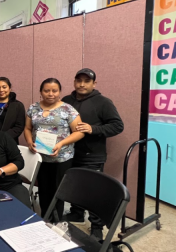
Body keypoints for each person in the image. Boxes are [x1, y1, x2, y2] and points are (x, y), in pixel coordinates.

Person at [62, 68, 124, 240]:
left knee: (93, 191)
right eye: (78, 80)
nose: (82, 84)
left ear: (94, 83)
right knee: (74, 185)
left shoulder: (103, 102)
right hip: (70, 153)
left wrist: (93, 129)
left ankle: (97, 226)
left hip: (92, 155)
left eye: (86, 81)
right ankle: (76, 213)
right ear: (74, 81)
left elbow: (118, 125)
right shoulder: (66, 101)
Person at [23, 78, 84, 220]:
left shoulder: (67, 109)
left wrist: (61, 144)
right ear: (41, 92)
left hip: (61, 158)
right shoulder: (33, 108)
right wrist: (29, 141)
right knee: (43, 189)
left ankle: (55, 221)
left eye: (54, 90)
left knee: (57, 191)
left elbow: (79, 132)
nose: (51, 94)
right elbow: (27, 128)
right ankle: (45, 217)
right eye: (47, 90)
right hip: (40, 157)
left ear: (59, 92)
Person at [0, 77, 26, 144]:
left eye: (4, 87)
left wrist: (3, 137)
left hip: (8, 141)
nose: (1, 90)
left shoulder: (18, 105)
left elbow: (19, 127)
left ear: (10, 88)